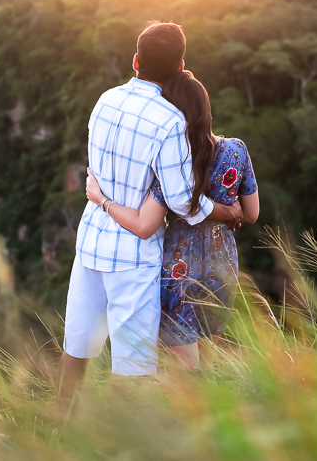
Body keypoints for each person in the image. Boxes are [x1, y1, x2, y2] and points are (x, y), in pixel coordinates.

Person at [58, 22, 242, 413]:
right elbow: (181, 201)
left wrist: (103, 199)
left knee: (77, 345)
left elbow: (98, 172)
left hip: (91, 241)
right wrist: (225, 211)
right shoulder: (171, 121)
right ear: (181, 66)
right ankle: (123, 437)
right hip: (133, 256)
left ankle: (58, 423)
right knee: (134, 365)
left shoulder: (105, 100)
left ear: (136, 61)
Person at [86, 69, 259, 370]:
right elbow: (252, 214)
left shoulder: (173, 162)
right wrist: (229, 209)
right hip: (221, 262)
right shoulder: (236, 150)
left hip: (179, 267)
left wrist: (101, 199)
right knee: (208, 366)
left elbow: (144, 224)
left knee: (186, 375)